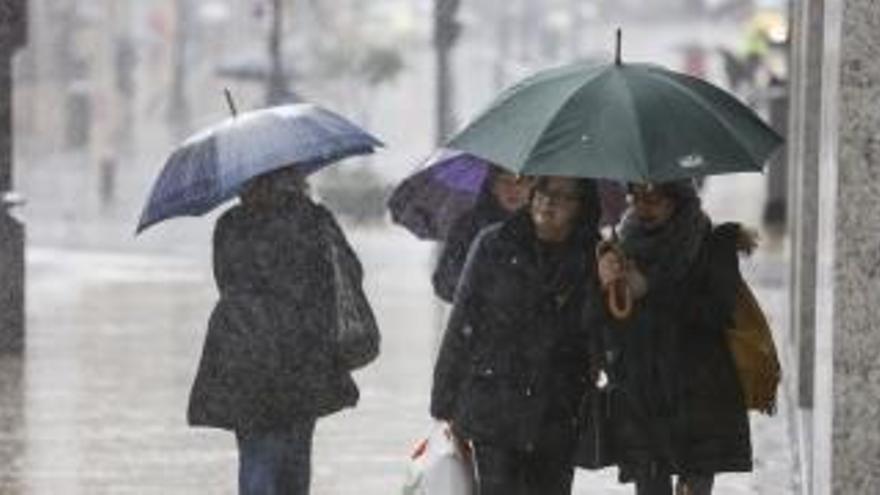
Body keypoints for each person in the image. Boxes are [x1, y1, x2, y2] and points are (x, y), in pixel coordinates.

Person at [187, 166, 379, 495]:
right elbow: (346, 274)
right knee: (295, 454)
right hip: (303, 355)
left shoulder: (230, 224)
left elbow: (226, 281)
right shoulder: (314, 220)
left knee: (256, 452)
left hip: (244, 354)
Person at [430, 176, 603, 495]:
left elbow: (605, 339)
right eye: (544, 191)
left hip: (559, 411)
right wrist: (444, 405)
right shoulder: (494, 243)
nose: (549, 202)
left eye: (564, 197)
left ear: (582, 207)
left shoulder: (596, 257)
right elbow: (463, 323)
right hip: (494, 405)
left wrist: (610, 286)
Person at [597, 180, 753, 495]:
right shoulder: (622, 246)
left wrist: (651, 289)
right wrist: (604, 284)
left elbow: (716, 312)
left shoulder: (713, 245)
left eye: (654, 198)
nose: (643, 207)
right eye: (636, 197)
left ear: (679, 200)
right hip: (644, 394)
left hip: (700, 395)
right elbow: (609, 328)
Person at [431, 166, 532, 302]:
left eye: (520, 182)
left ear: (532, 186)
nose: (513, 189)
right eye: (505, 181)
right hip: (479, 318)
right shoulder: (469, 226)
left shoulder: (545, 227)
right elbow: (443, 281)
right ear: (493, 187)